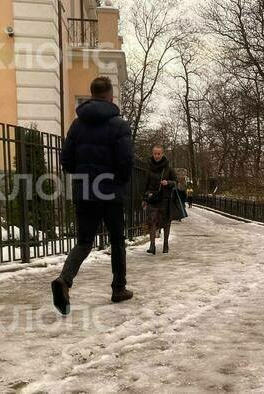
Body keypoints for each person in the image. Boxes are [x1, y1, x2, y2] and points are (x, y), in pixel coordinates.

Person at [51, 76, 134, 315]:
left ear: (92, 94)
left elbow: (66, 160)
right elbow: (126, 161)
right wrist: (119, 180)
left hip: (86, 190)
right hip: (111, 192)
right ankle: (118, 288)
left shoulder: (77, 125)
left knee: (85, 242)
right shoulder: (119, 125)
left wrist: (83, 177)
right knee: (117, 241)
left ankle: (64, 280)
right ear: (110, 96)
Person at [142, 145, 177, 254]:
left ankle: (165, 244)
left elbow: (176, 182)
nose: (156, 156)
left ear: (162, 154)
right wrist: (144, 199)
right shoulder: (149, 167)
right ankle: (152, 245)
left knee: (166, 222)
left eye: (158, 153)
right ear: (152, 154)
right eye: (155, 153)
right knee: (152, 221)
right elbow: (145, 184)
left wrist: (168, 183)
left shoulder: (168, 168)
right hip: (152, 198)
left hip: (165, 199)